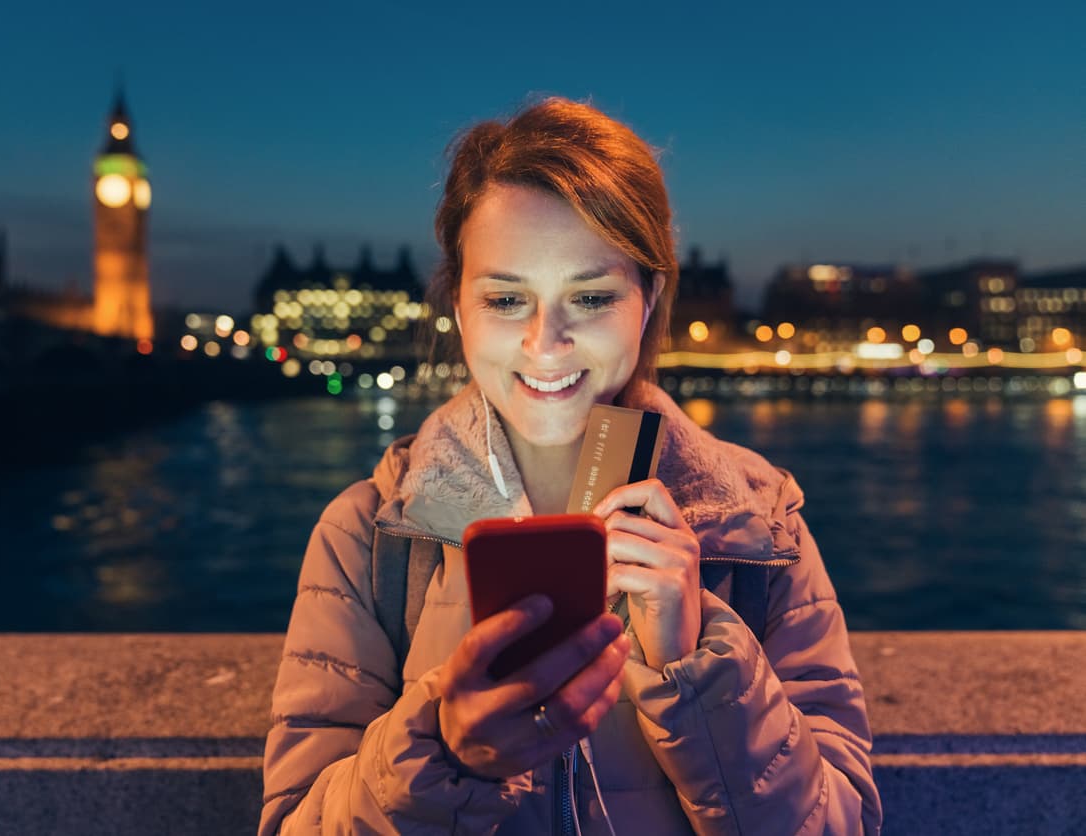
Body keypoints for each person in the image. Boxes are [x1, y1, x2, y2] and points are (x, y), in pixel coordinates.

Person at [260, 97, 882, 834]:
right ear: (458, 308)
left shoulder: (759, 531)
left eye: (588, 296)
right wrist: (443, 754)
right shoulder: (369, 540)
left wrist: (698, 663)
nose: (544, 341)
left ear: (646, 300)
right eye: (504, 298)